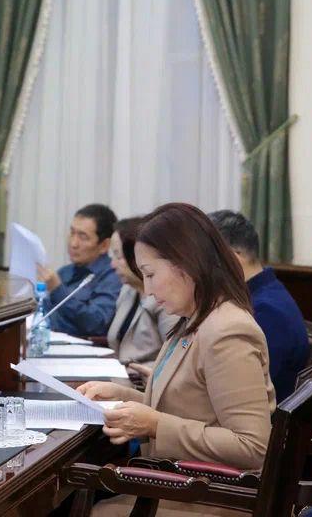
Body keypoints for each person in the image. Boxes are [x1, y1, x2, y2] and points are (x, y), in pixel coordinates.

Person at [77, 203, 275, 517]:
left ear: (186, 263)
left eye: (151, 274)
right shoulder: (192, 319)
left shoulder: (226, 331)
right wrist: (124, 397)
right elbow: (193, 405)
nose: (148, 289)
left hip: (215, 496)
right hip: (185, 482)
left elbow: (252, 446)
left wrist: (154, 425)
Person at [208, 210, 309, 402]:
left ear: (233, 259)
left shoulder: (267, 312)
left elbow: (244, 391)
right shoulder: (262, 294)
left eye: (208, 261)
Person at [36, 204, 122, 338]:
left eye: (83, 237)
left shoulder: (113, 276)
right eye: (72, 233)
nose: (73, 243)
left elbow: (97, 323)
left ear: (104, 245)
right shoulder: (64, 272)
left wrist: (58, 291)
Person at [107, 217, 179, 369]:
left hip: (146, 380)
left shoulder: (166, 296)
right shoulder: (128, 290)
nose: (112, 265)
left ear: (137, 256)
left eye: (118, 256)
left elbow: (175, 357)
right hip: (121, 375)